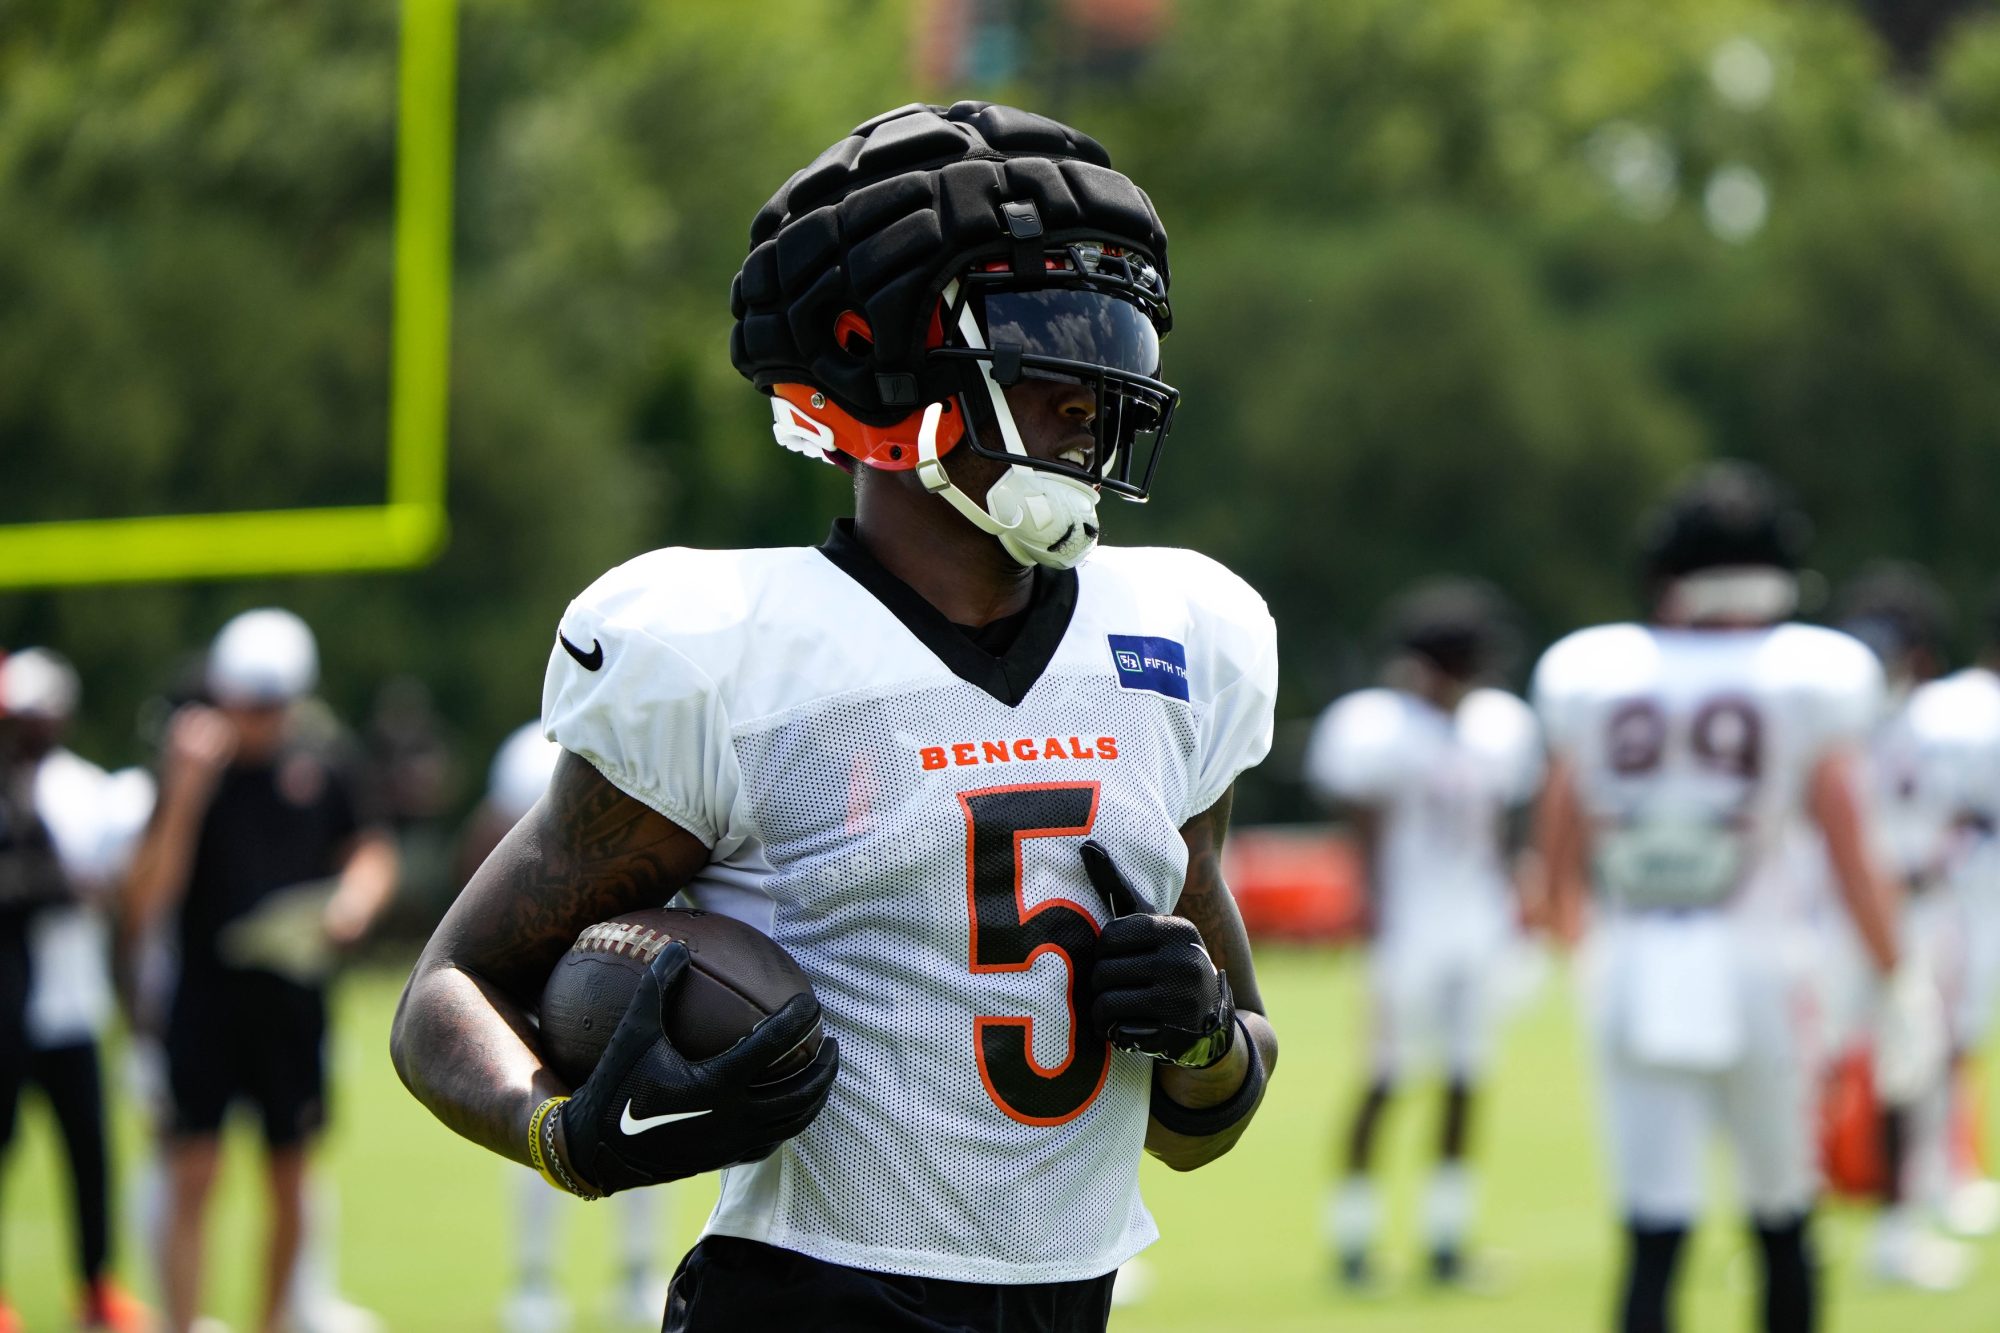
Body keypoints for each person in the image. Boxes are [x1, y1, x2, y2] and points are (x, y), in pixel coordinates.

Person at [393, 100, 1280, 1332]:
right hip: (804, 1301)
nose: (1097, 387)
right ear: (884, 359)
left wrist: (1201, 1041)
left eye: (1115, 332)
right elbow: (450, 988)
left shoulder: (1179, 640)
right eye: (1045, 339)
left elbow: (1207, 1119)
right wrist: (560, 1132)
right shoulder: (727, 653)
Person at [1531, 462, 1940, 1333]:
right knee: (1783, 1214)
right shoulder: (1813, 672)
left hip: (1633, 962)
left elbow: (1557, 831)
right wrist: (1897, 971)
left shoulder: (1595, 669)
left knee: (1653, 1230)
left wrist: (1570, 941)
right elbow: (1846, 834)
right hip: (1764, 963)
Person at [124, 610, 399, 1333]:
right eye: (246, 704)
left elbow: (370, 850)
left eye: (272, 706)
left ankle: (272, 1321)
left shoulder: (325, 764)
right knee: (192, 1173)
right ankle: (180, 1321)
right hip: (206, 1000)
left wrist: (353, 902)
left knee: (289, 1175)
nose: (257, 721)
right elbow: (146, 896)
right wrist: (185, 791)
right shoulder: (189, 767)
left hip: (292, 999)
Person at [1305, 580, 1542, 1289]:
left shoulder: (1497, 725)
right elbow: (1362, 825)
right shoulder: (1377, 726)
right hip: (1407, 927)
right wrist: (1372, 910)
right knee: (1384, 1080)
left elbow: (1502, 824)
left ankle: (1446, 1239)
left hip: (1477, 921)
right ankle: (1353, 1240)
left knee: (1467, 1078)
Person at [468, 723, 674, 1333]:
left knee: (651, 1119)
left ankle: (639, 1274)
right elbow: (495, 849)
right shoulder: (523, 752)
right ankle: (534, 1281)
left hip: (630, 962)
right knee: (536, 1119)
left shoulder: (637, 737)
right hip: (542, 965)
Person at [1824, 565, 1978, 1285]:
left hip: (1912, 911)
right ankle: (1801, 1222)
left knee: (1906, 1073)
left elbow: (1969, 821)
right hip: (1833, 911)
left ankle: (1896, 1229)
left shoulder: (1944, 723)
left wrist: (1930, 866)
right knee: (1817, 1066)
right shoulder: (1832, 717)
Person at [0, 650, 154, 1331]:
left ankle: (96, 1284)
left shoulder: (84, 786)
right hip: (4, 1008)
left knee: (89, 1155)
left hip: (70, 1000)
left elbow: (117, 879)